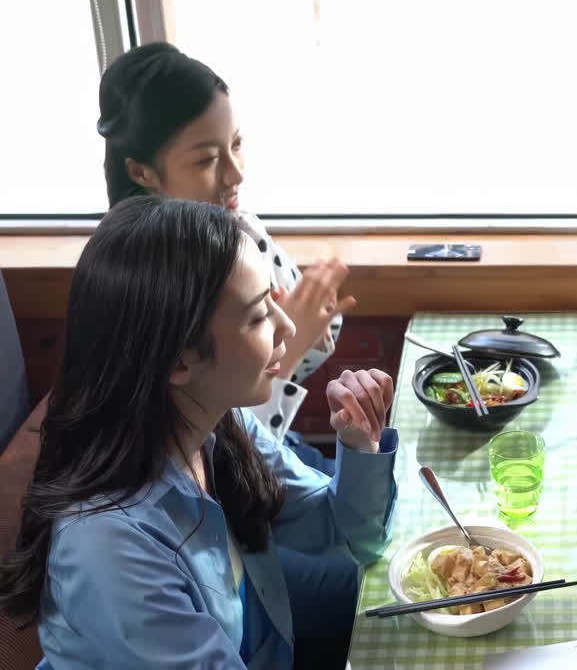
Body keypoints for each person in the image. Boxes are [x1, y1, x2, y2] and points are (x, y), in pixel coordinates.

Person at [0, 196, 398, 669]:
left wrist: (359, 441)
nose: (288, 327)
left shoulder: (220, 426)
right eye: (258, 316)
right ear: (179, 360)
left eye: (274, 302)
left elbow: (353, 538)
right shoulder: (109, 547)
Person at [97, 41, 352, 473]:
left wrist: (309, 324)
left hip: (279, 446)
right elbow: (220, 459)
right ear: (141, 171)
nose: (236, 174)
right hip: (240, 471)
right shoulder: (145, 283)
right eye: (207, 160)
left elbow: (301, 345)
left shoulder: (239, 227)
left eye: (236, 145)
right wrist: (289, 351)